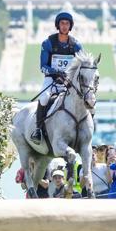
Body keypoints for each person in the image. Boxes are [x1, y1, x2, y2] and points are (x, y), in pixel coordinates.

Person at [31, 11, 83, 143]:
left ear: (70, 26)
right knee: (44, 98)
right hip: (52, 78)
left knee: (84, 98)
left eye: (67, 24)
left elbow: (80, 66)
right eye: (62, 23)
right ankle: (38, 130)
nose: (64, 26)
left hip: (68, 80)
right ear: (58, 25)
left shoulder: (76, 45)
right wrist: (55, 72)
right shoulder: (48, 43)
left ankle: (85, 127)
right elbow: (43, 66)